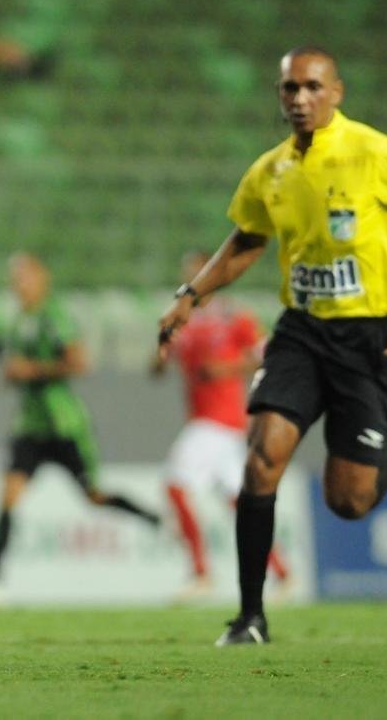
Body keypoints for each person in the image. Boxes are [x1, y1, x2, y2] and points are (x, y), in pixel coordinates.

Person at [159, 46, 387, 646]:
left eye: (312, 87)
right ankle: (249, 618)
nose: (299, 98)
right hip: (302, 332)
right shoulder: (270, 170)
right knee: (261, 457)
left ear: (336, 92)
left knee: (349, 501)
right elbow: (245, 240)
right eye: (289, 88)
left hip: (373, 337)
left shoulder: (375, 153)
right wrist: (191, 296)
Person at [0, 253, 159, 597]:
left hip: (65, 425)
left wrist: (30, 370)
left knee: (94, 496)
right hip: (31, 426)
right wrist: (13, 375)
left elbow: (79, 363)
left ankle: (154, 519)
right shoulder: (20, 321)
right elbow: (19, 369)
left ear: (42, 279)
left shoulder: (53, 317)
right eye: (15, 280)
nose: (19, 286)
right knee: (7, 496)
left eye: (25, 278)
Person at [152, 251, 288, 600]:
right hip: (215, 424)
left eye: (201, 273)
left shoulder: (233, 317)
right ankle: (283, 573)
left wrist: (226, 369)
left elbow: (264, 355)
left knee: (175, 485)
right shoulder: (186, 322)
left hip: (218, 420)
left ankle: (200, 572)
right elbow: (158, 366)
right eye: (190, 276)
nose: (195, 282)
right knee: (241, 502)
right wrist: (160, 348)